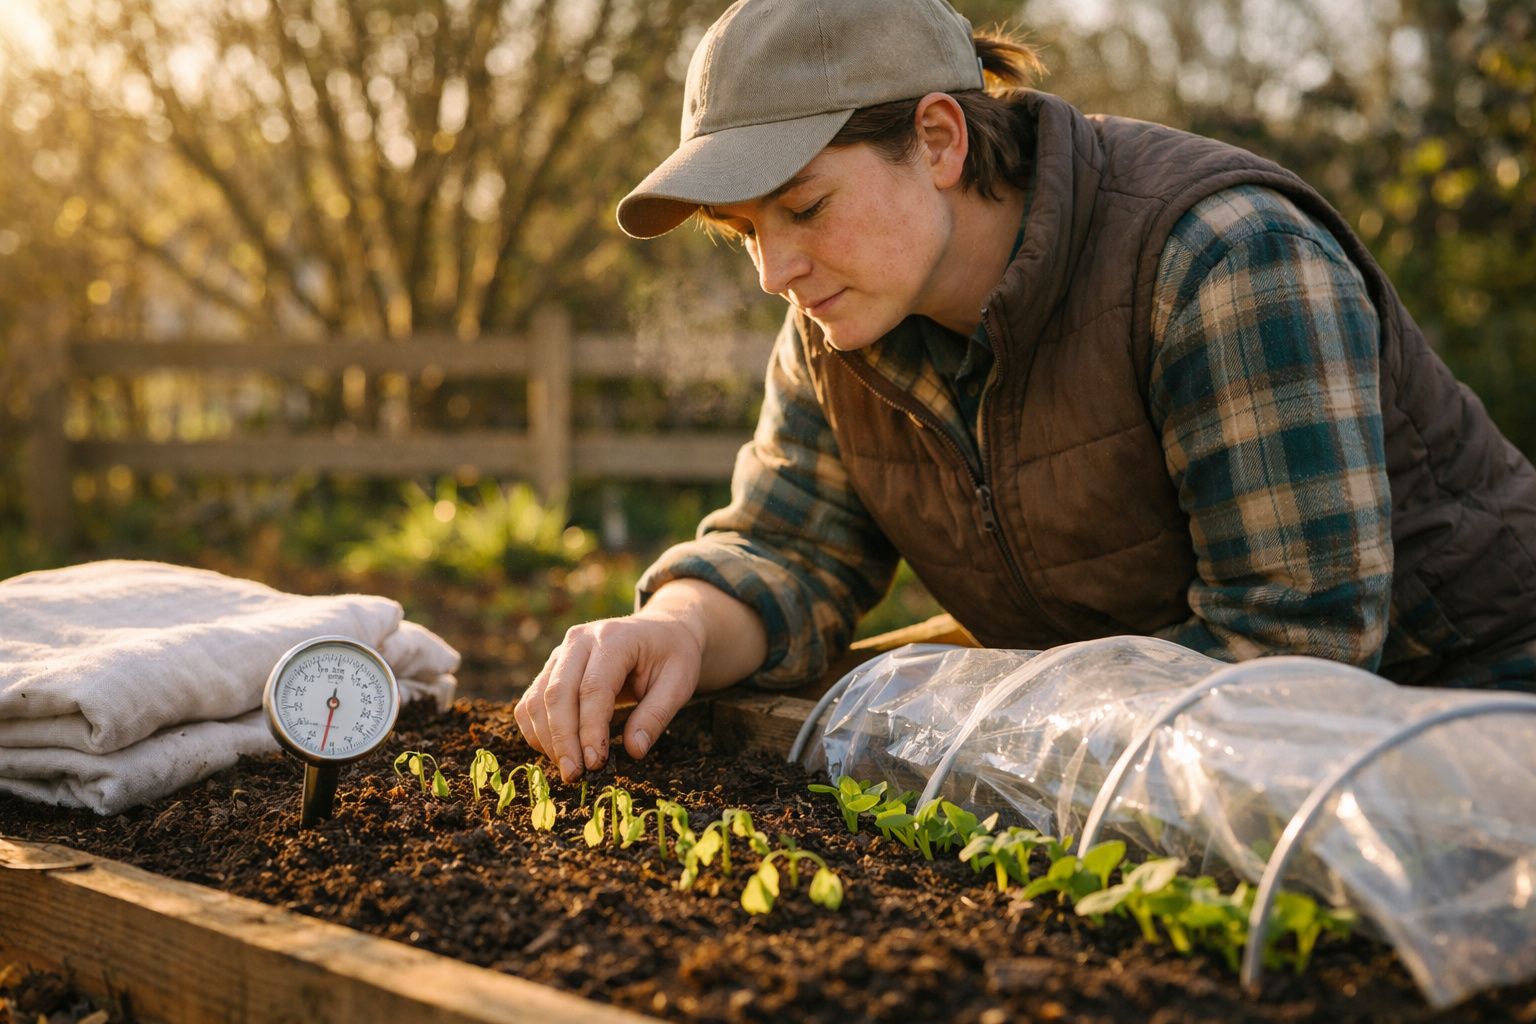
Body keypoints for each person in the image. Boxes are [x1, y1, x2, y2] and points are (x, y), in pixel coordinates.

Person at [514, 0, 1536, 782]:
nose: (775, 271)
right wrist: (682, 624)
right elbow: (788, 551)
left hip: (1464, 731)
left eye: (805, 206)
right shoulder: (842, 321)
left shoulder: (1221, 259)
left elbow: (1294, 656)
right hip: (1170, 760)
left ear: (941, 140)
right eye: (745, 232)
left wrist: (982, 712)